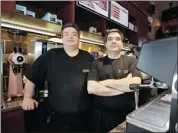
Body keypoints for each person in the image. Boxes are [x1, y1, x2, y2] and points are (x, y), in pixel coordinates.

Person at [21, 23, 94, 132]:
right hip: (57, 118)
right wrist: (27, 97)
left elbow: (96, 80)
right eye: (67, 34)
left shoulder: (88, 57)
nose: (70, 37)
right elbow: (32, 76)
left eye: (74, 34)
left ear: (78, 38)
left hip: (84, 117)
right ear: (62, 38)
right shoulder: (51, 55)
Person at [87, 29, 142, 132]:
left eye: (117, 39)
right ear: (105, 44)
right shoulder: (96, 63)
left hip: (125, 115)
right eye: (110, 39)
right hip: (100, 116)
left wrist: (106, 83)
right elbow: (91, 88)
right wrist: (124, 87)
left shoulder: (132, 61)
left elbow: (136, 83)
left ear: (122, 43)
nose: (114, 41)